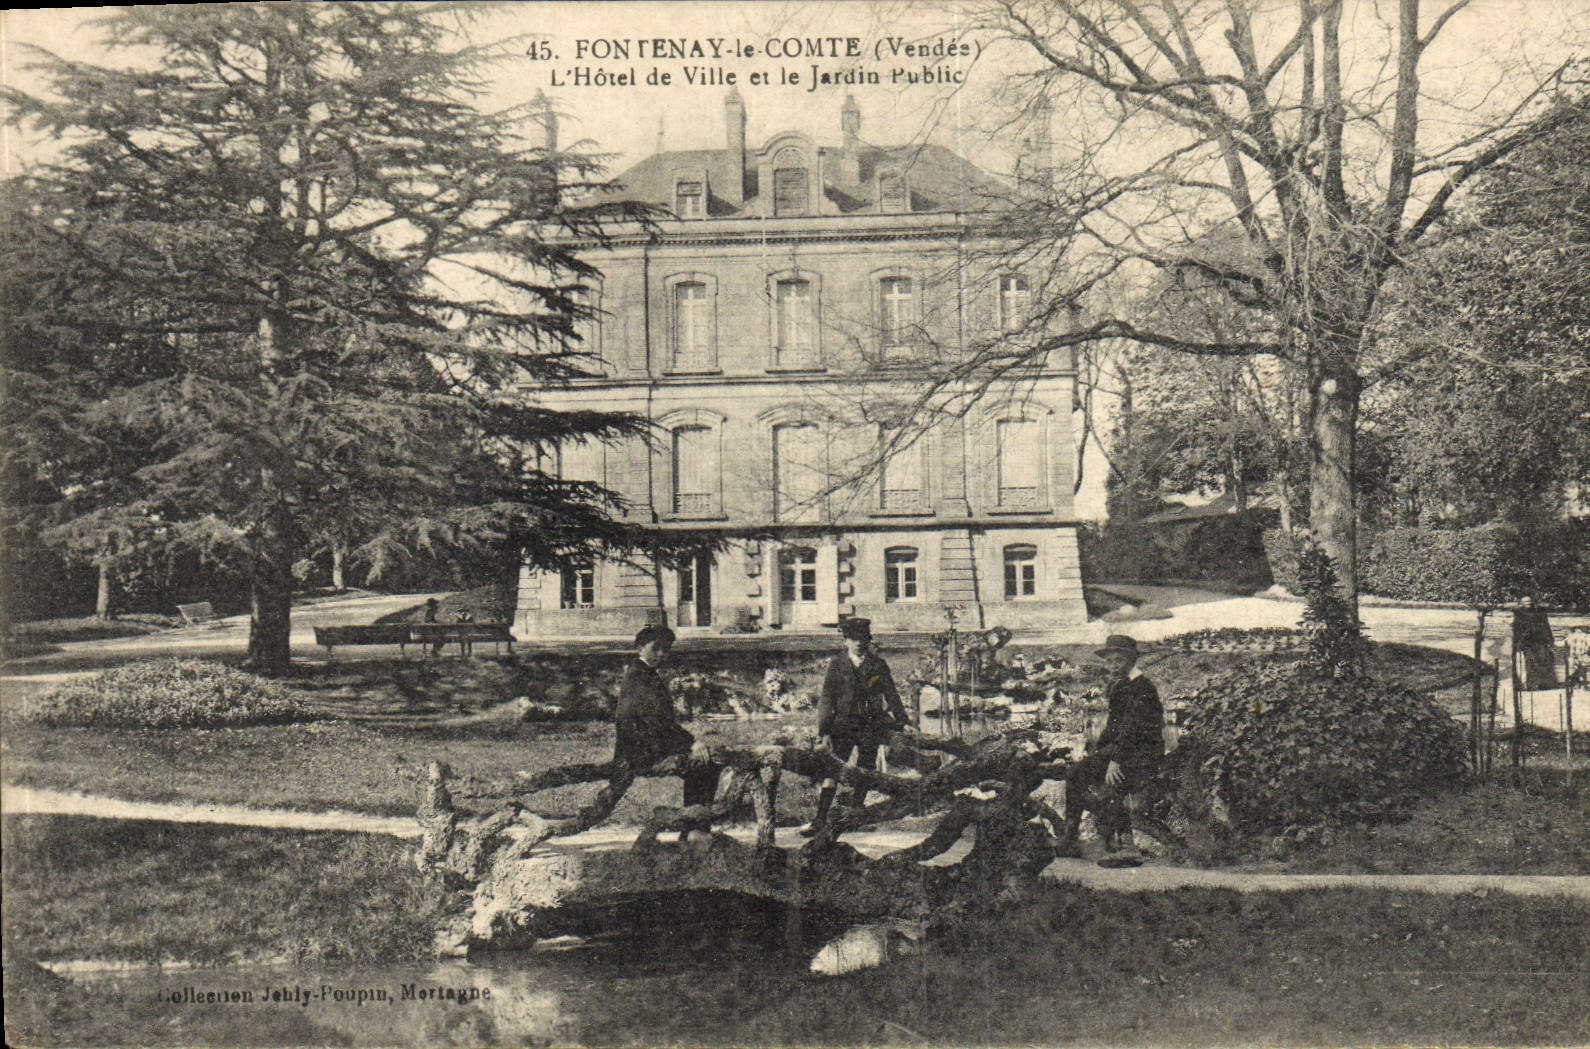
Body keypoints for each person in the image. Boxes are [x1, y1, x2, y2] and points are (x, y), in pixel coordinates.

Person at [1055, 634, 1164, 865]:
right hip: (1122, 750)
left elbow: (1133, 729)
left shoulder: (1142, 688)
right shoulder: (1120, 685)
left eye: (1118, 661)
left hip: (1142, 753)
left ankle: (1126, 845)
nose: (1113, 666)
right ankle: (1070, 837)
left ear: (1131, 661)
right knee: (1075, 773)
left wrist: (1115, 760)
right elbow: (1113, 727)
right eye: (1109, 661)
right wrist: (1097, 753)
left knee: (1113, 783)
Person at [804, 617, 910, 837]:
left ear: (868, 640)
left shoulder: (878, 665)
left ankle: (855, 815)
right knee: (832, 770)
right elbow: (827, 699)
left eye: (863, 638)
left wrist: (903, 721)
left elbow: (891, 695)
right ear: (846, 641)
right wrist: (824, 731)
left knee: (865, 770)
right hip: (842, 726)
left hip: (870, 726)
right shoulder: (837, 664)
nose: (859, 643)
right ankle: (820, 819)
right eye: (854, 639)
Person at [613, 624, 721, 825]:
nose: (662, 654)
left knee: (704, 764)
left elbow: (661, 722)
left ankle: (693, 826)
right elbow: (658, 722)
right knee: (706, 764)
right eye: (656, 648)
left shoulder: (644, 673)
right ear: (640, 647)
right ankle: (695, 828)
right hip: (641, 752)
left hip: (644, 746)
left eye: (666, 649)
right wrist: (692, 743)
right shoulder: (640, 677)